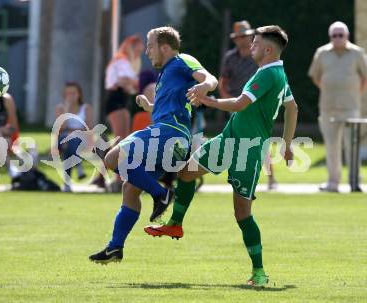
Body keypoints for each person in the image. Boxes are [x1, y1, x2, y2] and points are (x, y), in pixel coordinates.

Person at [145, 26, 298, 287]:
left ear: (268, 49)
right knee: (186, 172)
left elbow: (240, 104)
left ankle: (259, 272)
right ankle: (176, 224)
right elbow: (292, 107)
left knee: (242, 213)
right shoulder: (275, 73)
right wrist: (287, 143)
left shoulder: (270, 74)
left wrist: (209, 101)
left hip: (248, 149)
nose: (251, 46)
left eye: (255, 43)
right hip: (228, 139)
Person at [89, 26, 218, 264]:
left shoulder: (181, 61)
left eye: (150, 46)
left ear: (165, 47)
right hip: (171, 136)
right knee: (130, 188)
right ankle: (115, 248)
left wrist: (205, 86)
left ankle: (161, 193)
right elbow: (174, 105)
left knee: (111, 158)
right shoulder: (168, 72)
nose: (147, 52)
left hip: (169, 133)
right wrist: (150, 106)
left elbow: (210, 78)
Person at [308, 21, 367, 192]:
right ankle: (333, 183)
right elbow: (315, 76)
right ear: (330, 37)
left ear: (347, 36)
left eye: (341, 35)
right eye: (334, 35)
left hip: (350, 108)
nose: (337, 38)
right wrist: (328, 88)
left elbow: (365, 77)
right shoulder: (322, 53)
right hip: (327, 107)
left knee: (352, 146)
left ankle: (354, 183)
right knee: (331, 146)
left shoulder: (357, 53)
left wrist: (354, 92)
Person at [220, 20, 277, 189]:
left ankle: (271, 178)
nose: (241, 40)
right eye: (238, 37)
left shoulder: (260, 55)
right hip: (236, 104)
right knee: (237, 142)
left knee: (262, 142)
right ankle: (240, 178)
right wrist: (227, 100)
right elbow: (223, 81)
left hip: (258, 105)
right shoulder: (230, 58)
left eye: (244, 36)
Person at [92, 35, 145, 192]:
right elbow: (123, 81)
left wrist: (133, 84)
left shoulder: (122, 61)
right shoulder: (121, 60)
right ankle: (113, 176)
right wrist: (138, 83)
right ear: (131, 46)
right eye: (137, 50)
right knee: (121, 139)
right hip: (116, 99)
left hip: (121, 99)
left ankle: (106, 176)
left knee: (122, 139)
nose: (138, 55)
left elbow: (128, 84)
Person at [55, 82, 92, 192]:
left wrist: (73, 132)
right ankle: (79, 166)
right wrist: (66, 110)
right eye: (68, 93)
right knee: (69, 139)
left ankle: (67, 183)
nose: (71, 96)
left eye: (73, 93)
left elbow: (89, 128)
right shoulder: (60, 108)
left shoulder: (86, 108)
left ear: (79, 94)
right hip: (62, 140)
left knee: (71, 143)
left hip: (82, 141)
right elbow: (61, 128)